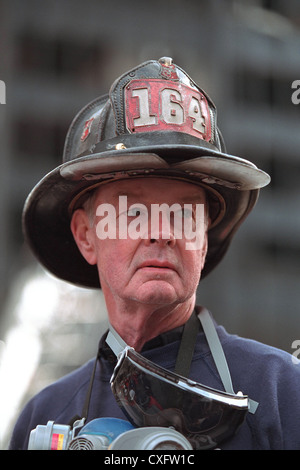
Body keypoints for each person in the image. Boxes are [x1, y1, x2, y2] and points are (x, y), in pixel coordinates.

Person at [9, 57, 300, 450]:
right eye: (134, 211)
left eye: (183, 213)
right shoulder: (44, 416)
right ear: (86, 236)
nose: (162, 232)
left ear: (204, 235)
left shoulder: (284, 393)